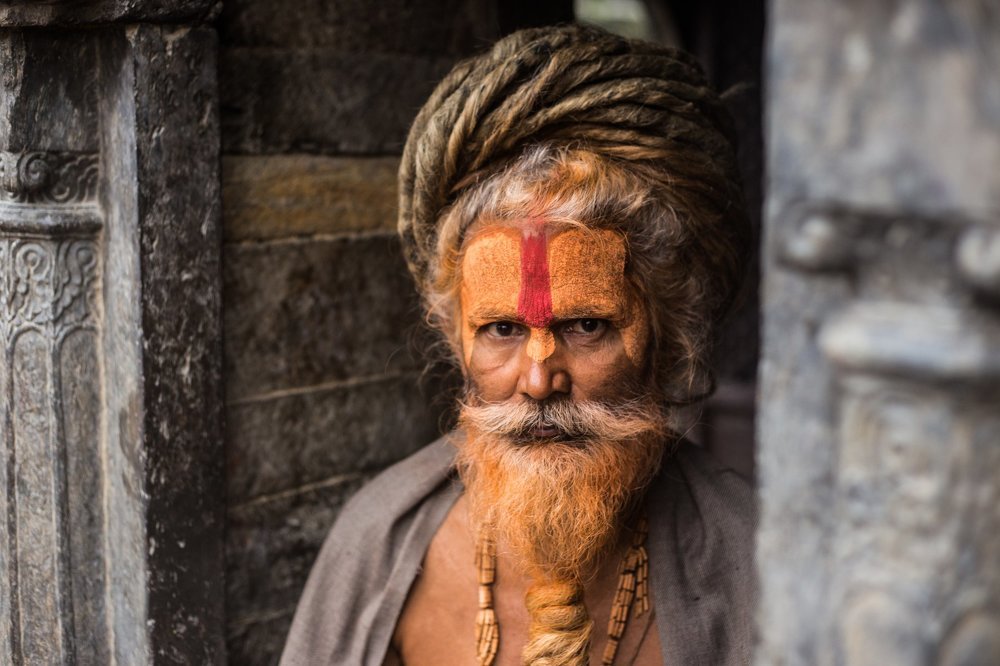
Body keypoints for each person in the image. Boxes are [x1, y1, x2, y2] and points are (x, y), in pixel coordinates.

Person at [280, 23, 754, 666]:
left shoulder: (756, 561)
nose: (538, 381)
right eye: (502, 329)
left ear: (667, 339)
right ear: (456, 337)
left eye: (587, 326)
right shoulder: (379, 544)